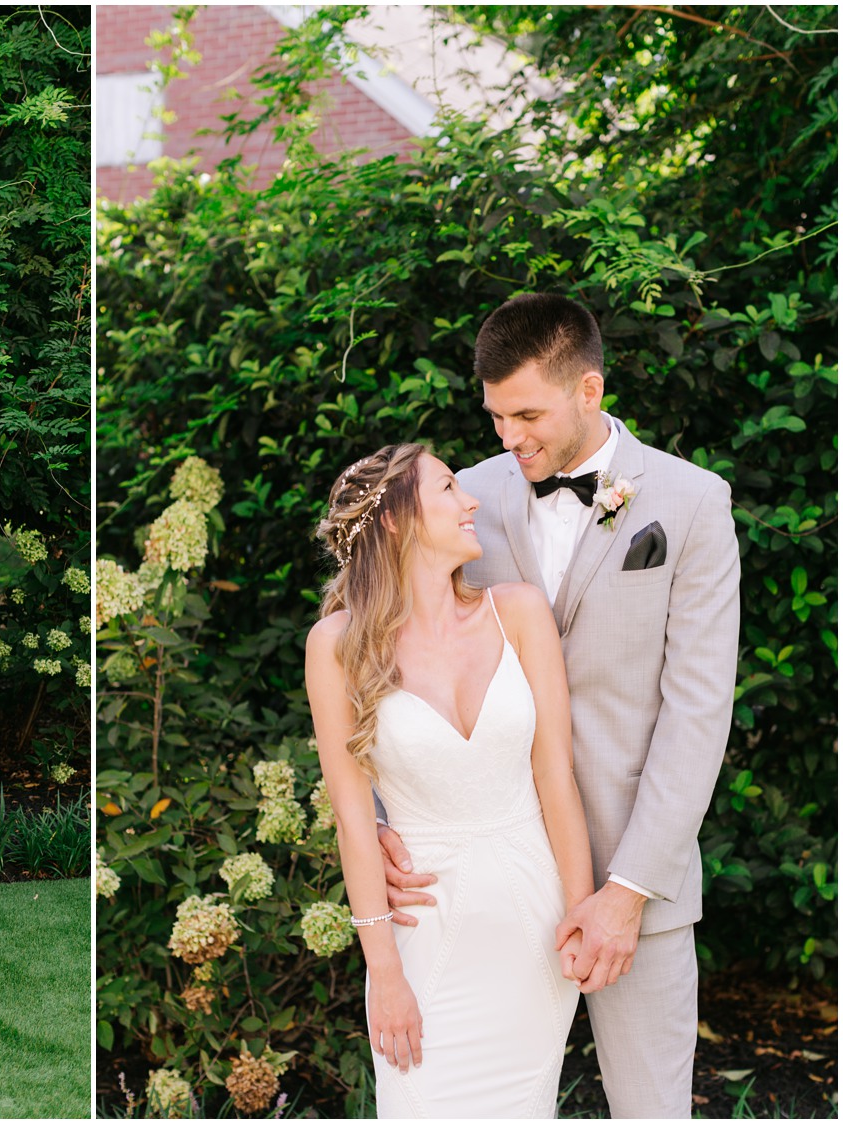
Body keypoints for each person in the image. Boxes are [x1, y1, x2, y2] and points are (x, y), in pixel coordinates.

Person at [379, 293, 740, 1117]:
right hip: (477, 885)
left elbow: (697, 714)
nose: (510, 439)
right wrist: (378, 818)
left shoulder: (690, 504)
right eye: (497, 417)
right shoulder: (458, 499)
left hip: (628, 886)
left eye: (528, 414)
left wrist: (629, 890)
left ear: (589, 391)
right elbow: (382, 663)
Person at [307, 442, 593, 1117]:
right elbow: (353, 818)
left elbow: (556, 776)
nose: (471, 503)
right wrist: (383, 971)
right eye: (447, 490)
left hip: (533, 925)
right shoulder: (338, 648)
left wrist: (581, 913)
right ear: (396, 521)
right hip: (423, 929)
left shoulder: (519, 612)